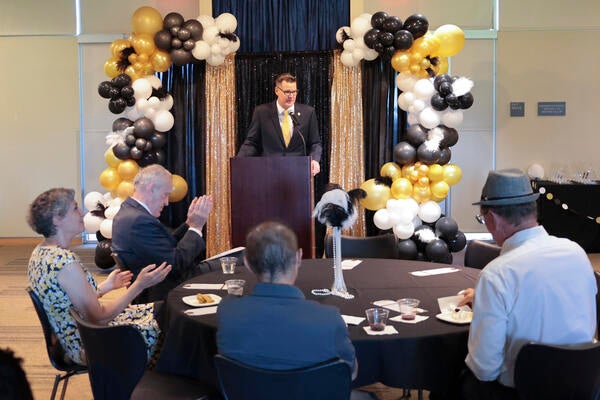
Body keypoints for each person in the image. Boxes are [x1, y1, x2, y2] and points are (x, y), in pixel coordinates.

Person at [457, 169, 597, 400]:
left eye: (483, 220)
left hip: (520, 392)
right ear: (533, 210)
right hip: (582, 385)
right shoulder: (576, 252)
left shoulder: (496, 275)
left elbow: (484, 369)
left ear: (492, 217)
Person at [26, 188, 171, 366]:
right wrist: (139, 285)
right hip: (89, 342)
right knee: (168, 325)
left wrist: (105, 287)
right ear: (57, 219)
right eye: (75, 209)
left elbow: (67, 301)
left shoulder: (41, 253)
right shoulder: (64, 263)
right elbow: (99, 317)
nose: (82, 213)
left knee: (163, 309)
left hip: (79, 333)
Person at [217, 221, 357, 376]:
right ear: (299, 258)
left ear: (247, 264)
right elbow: (351, 373)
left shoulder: (228, 311)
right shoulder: (329, 319)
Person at [112, 164, 213, 302]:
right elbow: (176, 264)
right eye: (165, 195)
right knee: (234, 264)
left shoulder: (129, 212)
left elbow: (164, 245)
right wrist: (197, 226)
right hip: (165, 289)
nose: (166, 203)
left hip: (161, 284)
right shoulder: (138, 220)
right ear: (151, 188)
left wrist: (189, 223)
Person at [237, 73, 323, 177]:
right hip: (269, 173)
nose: (291, 96)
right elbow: (252, 142)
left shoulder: (308, 113)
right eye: (287, 92)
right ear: (277, 91)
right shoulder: (262, 112)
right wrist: (239, 161)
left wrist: (314, 160)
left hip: (298, 173)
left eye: (294, 92)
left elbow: (315, 143)